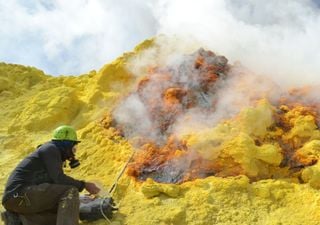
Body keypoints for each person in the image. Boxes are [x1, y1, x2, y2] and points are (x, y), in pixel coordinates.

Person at [1, 125, 100, 225]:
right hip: (20, 194)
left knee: (61, 211)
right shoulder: (50, 149)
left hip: (16, 200)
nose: (73, 153)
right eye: (73, 148)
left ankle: (20, 220)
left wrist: (78, 200)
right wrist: (84, 185)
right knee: (70, 191)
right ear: (66, 144)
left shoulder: (48, 153)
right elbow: (59, 179)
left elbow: (53, 187)